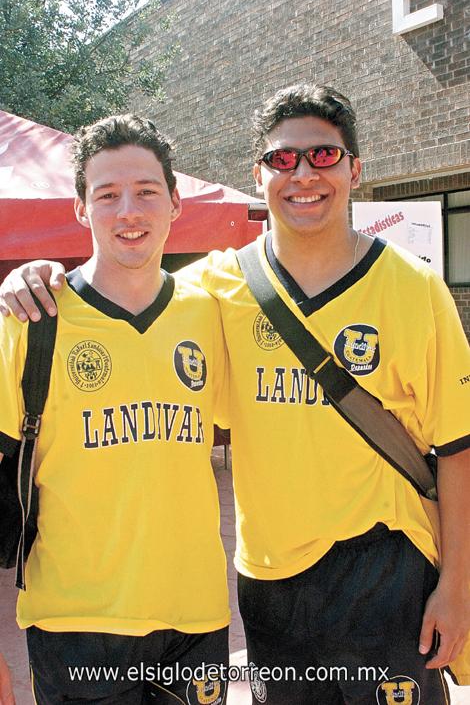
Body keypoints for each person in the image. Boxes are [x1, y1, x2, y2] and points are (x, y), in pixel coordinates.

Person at [2, 84, 470, 704]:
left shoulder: (412, 288)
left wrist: (459, 585)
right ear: (259, 174)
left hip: (385, 568)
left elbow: (458, 447)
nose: (303, 174)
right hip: (266, 581)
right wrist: (30, 277)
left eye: (324, 156)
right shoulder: (216, 288)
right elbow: (127, 287)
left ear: (355, 168)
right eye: (282, 159)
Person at [0, 114, 230, 704]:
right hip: (74, 623)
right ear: (81, 208)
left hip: (195, 618)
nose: (129, 210)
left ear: (176, 202)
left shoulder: (213, 313)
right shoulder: (29, 321)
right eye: (107, 194)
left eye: (147, 191)